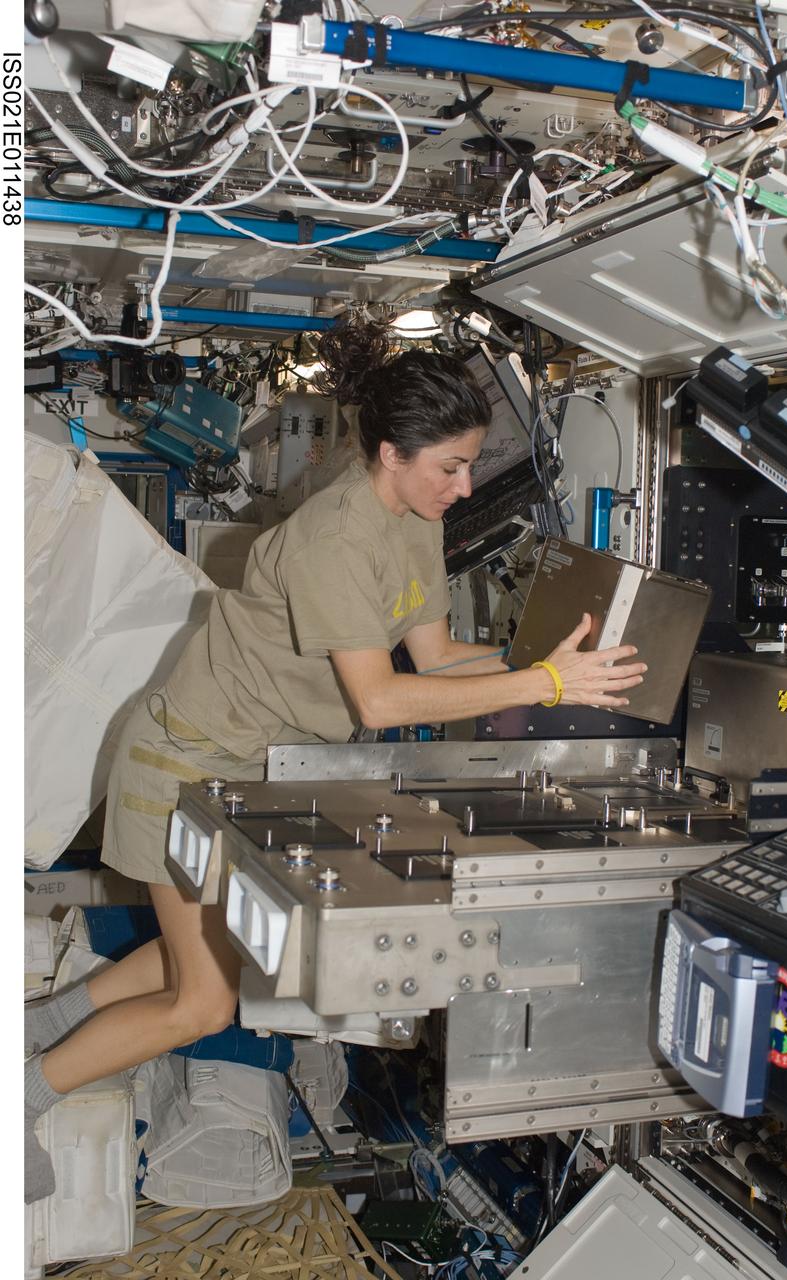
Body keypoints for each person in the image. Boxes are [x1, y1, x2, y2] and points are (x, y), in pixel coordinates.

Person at [24, 317, 646, 1203]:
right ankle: (25, 1099)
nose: (464, 485)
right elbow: (381, 701)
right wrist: (546, 683)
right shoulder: (335, 538)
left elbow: (433, 659)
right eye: (450, 467)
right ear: (389, 453)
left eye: (470, 464)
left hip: (235, 775)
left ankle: (46, 1022)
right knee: (206, 1004)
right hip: (176, 773)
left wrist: (557, 662)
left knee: (208, 962)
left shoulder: (414, 521)